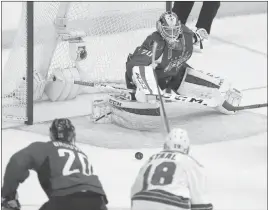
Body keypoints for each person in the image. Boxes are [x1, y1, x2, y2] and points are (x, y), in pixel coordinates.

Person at [124, 11, 241, 115]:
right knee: (146, 100)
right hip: (155, 79)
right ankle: (141, 95)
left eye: (174, 30)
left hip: (174, 74)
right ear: (160, 28)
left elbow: (195, 37)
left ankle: (222, 100)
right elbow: (136, 66)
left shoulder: (187, 35)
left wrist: (199, 35)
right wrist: (150, 90)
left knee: (218, 89)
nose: (172, 35)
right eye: (168, 31)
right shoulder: (155, 43)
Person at [1, 118, 108, 210]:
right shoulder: (80, 153)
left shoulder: (43, 148)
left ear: (51, 133)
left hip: (65, 200)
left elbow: (17, 162)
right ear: (71, 135)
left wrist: (8, 195)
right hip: (98, 201)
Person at [131, 128, 213, 210]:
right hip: (172, 204)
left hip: (141, 201)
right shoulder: (190, 162)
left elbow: (136, 188)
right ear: (187, 148)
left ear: (165, 145)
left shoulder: (151, 159)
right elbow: (200, 201)